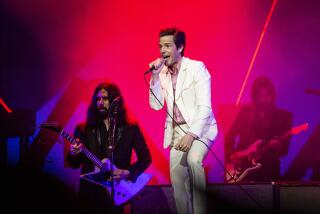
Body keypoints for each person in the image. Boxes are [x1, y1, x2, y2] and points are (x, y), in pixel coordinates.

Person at [148, 28, 218, 214]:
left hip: (200, 128)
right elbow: (155, 105)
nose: (162, 50)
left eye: (167, 45)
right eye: (160, 46)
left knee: (194, 160)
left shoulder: (197, 68)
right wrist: (154, 76)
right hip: (177, 131)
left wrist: (191, 134)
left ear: (180, 47)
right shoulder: (162, 73)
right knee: (177, 178)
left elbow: (205, 107)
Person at [66, 81, 152, 214]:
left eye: (105, 99)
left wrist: (127, 172)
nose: (100, 102)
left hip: (115, 193)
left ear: (114, 102)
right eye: (98, 99)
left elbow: (146, 158)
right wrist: (74, 153)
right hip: (89, 194)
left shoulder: (130, 128)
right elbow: (73, 164)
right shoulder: (83, 129)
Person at [225, 76, 293, 182]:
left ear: (272, 95)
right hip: (242, 168)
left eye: (267, 95)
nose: (264, 99)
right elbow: (229, 137)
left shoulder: (283, 117)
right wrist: (232, 155)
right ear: (255, 97)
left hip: (268, 171)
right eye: (260, 96)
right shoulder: (246, 113)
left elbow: (284, 151)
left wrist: (278, 147)